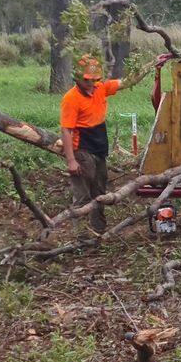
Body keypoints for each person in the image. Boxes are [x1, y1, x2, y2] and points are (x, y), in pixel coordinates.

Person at [61, 55, 126, 232]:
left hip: (99, 149)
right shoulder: (71, 99)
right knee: (82, 195)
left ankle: (98, 231)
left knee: (100, 192)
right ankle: (80, 237)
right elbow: (66, 130)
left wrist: (149, 66)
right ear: (77, 78)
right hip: (81, 150)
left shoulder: (100, 88)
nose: (91, 84)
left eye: (95, 80)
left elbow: (125, 82)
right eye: (87, 80)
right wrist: (71, 161)